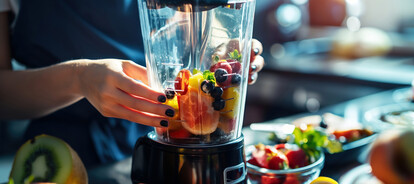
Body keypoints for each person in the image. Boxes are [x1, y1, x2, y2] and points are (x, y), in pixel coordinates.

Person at [0, 0, 264, 168]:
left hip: (150, 138)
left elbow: (189, 29)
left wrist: (223, 56)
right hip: (57, 156)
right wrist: (79, 78)